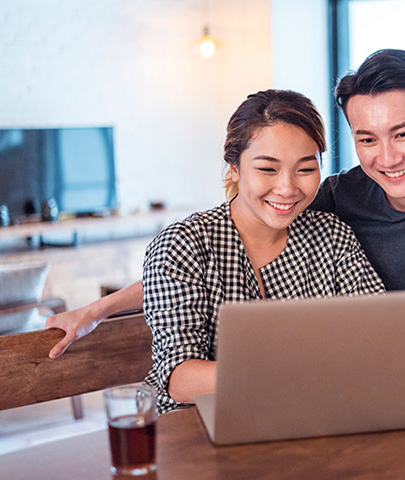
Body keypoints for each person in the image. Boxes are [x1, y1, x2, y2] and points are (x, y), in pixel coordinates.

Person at [46, 49, 405, 359]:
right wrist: (100, 308)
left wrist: (383, 335)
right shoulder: (333, 197)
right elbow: (211, 249)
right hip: (382, 369)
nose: (388, 157)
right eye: (367, 139)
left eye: (403, 133)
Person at [132, 90, 385, 412]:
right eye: (267, 169)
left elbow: (377, 337)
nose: (288, 188)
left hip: (307, 416)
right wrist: (304, 374)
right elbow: (180, 378)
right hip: (195, 428)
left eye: (306, 169)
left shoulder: (332, 236)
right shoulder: (185, 244)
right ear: (234, 167)